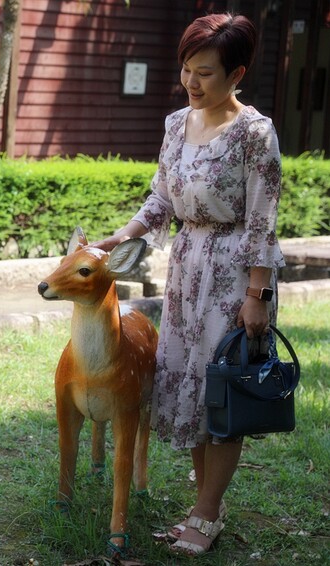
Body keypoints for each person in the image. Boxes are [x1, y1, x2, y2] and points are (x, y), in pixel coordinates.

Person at [91, 13, 284, 557]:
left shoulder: (255, 133)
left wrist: (257, 296)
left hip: (232, 276)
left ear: (237, 72)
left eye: (204, 73)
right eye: (186, 70)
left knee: (222, 393)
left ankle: (203, 513)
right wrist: (119, 237)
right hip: (187, 268)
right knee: (195, 393)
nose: (191, 83)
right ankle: (208, 509)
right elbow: (160, 199)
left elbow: (262, 224)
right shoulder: (178, 123)